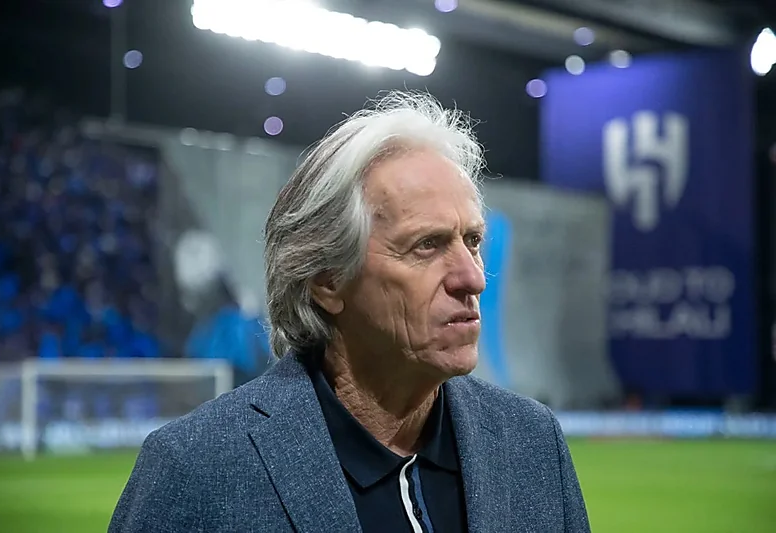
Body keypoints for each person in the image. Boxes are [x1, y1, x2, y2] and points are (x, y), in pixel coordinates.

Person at [109, 91, 590, 532]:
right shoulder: (197, 470)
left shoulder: (532, 444)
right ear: (327, 280)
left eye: (473, 241)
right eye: (427, 245)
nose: (473, 278)